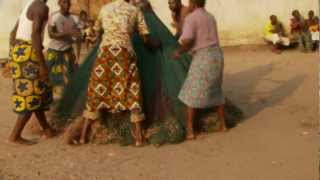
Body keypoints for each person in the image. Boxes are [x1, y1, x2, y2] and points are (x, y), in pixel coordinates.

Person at [79, 0, 160, 146]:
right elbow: (145, 37)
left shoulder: (105, 9)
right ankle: (139, 139)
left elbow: (97, 36)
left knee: (96, 92)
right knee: (132, 91)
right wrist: (156, 45)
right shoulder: (135, 11)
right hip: (124, 55)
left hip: (104, 55)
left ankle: (83, 137)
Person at [174, 0, 226, 140]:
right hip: (217, 55)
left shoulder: (191, 18)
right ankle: (222, 124)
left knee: (190, 93)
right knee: (216, 90)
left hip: (203, 57)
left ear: (193, 3)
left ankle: (190, 130)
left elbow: (187, 40)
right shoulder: (210, 16)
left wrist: (179, 52)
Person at [8, 0, 54, 145]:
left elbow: (13, 33)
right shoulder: (41, 7)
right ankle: (14, 136)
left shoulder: (29, 5)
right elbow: (35, 34)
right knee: (30, 95)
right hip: (30, 53)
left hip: (21, 51)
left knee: (36, 92)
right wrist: (41, 65)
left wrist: (16, 53)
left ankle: (47, 130)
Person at [46, 0, 81, 104]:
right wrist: (68, 32)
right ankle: (48, 100)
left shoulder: (75, 18)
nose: (67, 5)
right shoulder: (54, 16)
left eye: (68, 3)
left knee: (69, 77)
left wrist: (78, 57)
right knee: (50, 77)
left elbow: (78, 38)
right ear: (59, 3)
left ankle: (66, 102)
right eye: (64, 2)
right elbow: (51, 34)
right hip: (54, 51)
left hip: (68, 51)